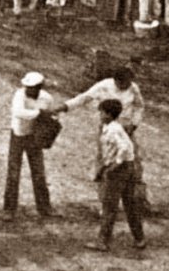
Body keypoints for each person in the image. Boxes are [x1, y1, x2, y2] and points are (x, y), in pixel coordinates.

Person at [54, 66, 148, 213]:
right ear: (116, 80)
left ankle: (140, 202)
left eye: (129, 82)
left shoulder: (133, 88)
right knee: (105, 165)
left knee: (134, 163)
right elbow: (83, 98)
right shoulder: (104, 86)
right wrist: (63, 107)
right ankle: (104, 204)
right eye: (124, 83)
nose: (127, 85)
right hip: (108, 129)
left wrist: (134, 124)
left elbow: (139, 106)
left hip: (126, 129)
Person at [84, 99, 145, 252]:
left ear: (109, 114)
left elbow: (125, 148)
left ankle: (103, 241)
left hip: (119, 170)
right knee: (130, 204)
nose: (100, 115)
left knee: (109, 206)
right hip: (128, 168)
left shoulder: (112, 130)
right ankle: (139, 238)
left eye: (102, 112)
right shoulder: (115, 127)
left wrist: (114, 166)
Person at [3, 71, 57, 221]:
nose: (29, 90)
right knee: (13, 173)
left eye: (32, 87)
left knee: (39, 172)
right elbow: (18, 112)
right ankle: (9, 209)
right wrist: (39, 113)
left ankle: (44, 207)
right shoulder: (19, 95)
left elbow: (51, 116)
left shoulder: (47, 98)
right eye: (27, 87)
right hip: (18, 135)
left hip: (34, 137)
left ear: (39, 87)